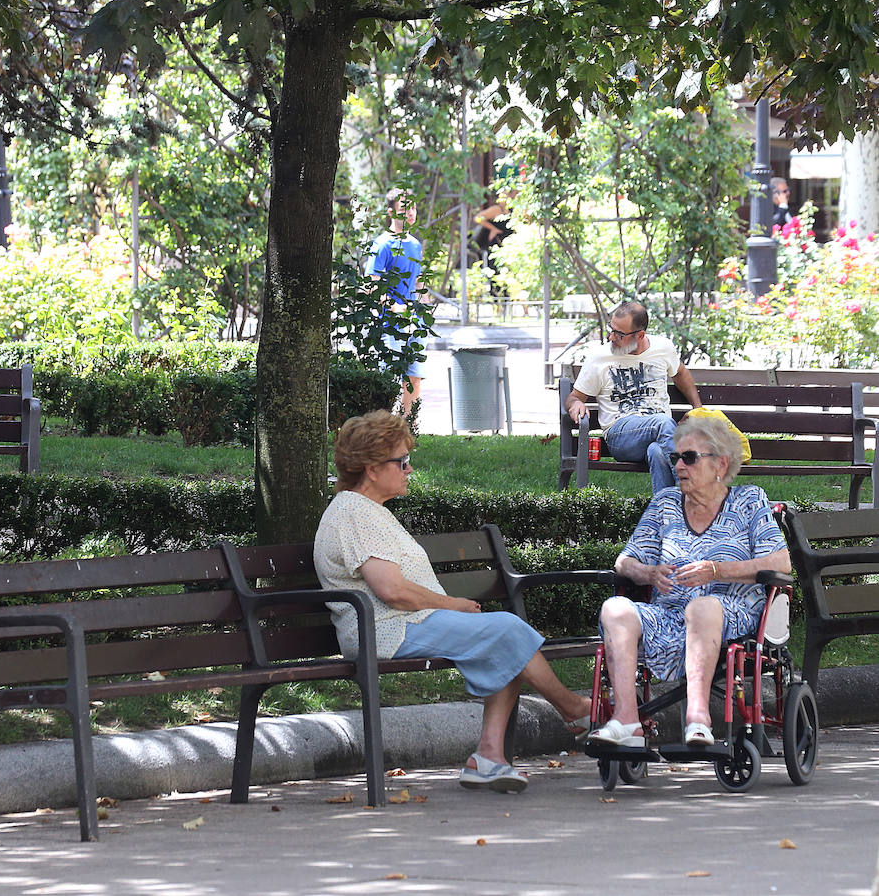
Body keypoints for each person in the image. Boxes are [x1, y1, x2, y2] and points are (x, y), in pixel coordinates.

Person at [314, 410, 593, 793]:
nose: (410, 470)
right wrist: (452, 605)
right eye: (402, 462)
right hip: (385, 630)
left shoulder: (366, 511)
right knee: (506, 631)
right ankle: (574, 710)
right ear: (373, 468)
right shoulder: (354, 512)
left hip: (402, 625)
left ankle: (489, 758)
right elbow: (391, 590)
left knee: (501, 640)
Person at [588, 416, 790, 749]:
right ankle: (626, 721)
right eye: (675, 458)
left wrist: (716, 570)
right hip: (669, 614)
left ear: (720, 464)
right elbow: (624, 561)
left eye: (689, 457)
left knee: (703, 607)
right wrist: (649, 574)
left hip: (733, 613)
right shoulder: (664, 503)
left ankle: (699, 717)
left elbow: (781, 563)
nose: (679, 466)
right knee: (615, 609)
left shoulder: (749, 502)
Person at [564, 300, 704, 492]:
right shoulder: (599, 357)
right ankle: (697, 494)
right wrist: (575, 404)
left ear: (640, 335)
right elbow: (574, 397)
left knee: (657, 452)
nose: (611, 337)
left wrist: (698, 409)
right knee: (662, 423)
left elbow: (680, 373)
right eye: (611, 329)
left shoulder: (663, 348)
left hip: (661, 433)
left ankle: (668, 515)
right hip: (620, 435)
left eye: (619, 334)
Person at [368, 189, 428, 426]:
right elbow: (371, 285)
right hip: (389, 323)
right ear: (391, 211)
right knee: (389, 378)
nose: (411, 212)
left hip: (414, 321)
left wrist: (420, 307)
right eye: (405, 208)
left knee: (414, 376)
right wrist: (394, 307)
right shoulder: (381, 244)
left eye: (413, 207)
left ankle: (407, 428)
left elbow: (418, 280)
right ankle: (383, 428)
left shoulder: (415, 245)